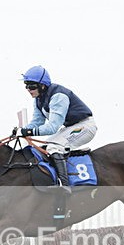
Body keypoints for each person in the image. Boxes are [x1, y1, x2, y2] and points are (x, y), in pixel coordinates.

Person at [17, 65, 97, 193]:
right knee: (44, 149)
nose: (28, 89)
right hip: (71, 127)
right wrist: (21, 130)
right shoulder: (38, 99)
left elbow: (53, 127)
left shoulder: (58, 96)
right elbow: (37, 122)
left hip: (85, 126)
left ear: (42, 85)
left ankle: (64, 185)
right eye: (26, 85)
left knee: (54, 147)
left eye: (31, 86)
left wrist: (29, 132)